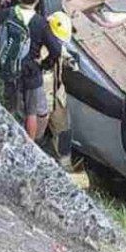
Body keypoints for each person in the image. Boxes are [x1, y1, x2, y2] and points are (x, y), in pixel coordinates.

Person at [0, 0, 61, 140]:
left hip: (8, 69)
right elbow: (56, 50)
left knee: (12, 106)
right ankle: (29, 146)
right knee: (31, 112)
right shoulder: (40, 23)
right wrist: (44, 64)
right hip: (31, 72)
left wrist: (6, 56)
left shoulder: (5, 14)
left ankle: (9, 136)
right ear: (37, 0)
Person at [37, 11, 75, 170]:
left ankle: (65, 165)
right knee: (35, 129)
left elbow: (61, 52)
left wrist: (69, 61)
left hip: (57, 94)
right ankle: (34, 154)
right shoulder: (36, 45)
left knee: (63, 129)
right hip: (39, 95)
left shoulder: (56, 45)